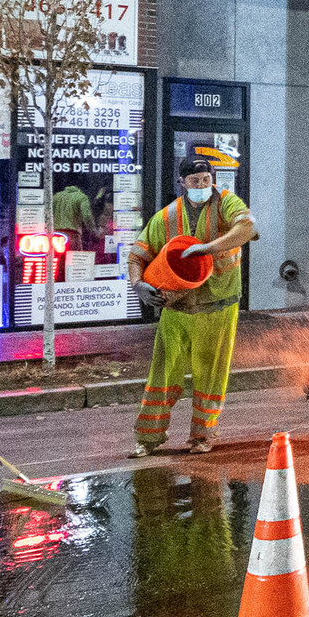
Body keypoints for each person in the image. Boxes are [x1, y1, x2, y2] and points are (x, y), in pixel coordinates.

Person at [127, 158, 257, 456]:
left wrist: (208, 248)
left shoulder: (226, 203)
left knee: (211, 374)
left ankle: (202, 436)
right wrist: (138, 285)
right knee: (162, 373)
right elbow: (138, 255)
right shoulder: (166, 217)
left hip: (218, 306)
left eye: (206, 179)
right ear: (182, 183)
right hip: (177, 307)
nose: (201, 186)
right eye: (195, 181)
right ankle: (148, 438)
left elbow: (247, 228)